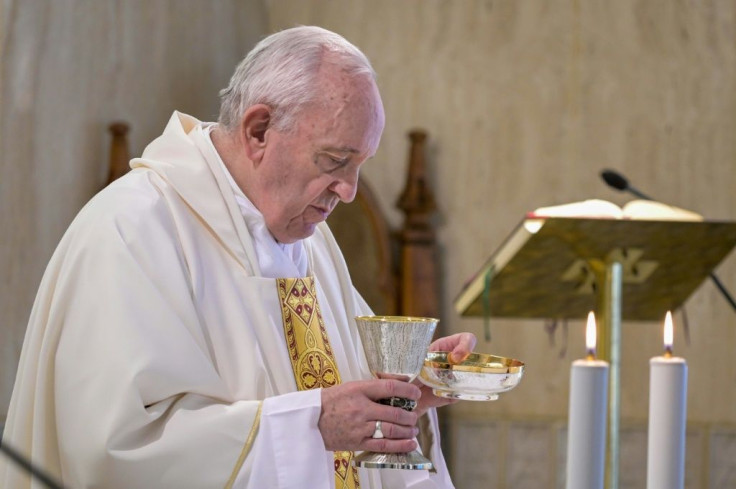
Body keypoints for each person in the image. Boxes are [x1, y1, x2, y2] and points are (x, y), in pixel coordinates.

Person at [0, 26, 475, 489]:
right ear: (259, 129)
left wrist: (402, 391)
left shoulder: (312, 244)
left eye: (359, 166)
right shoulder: (133, 230)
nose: (348, 192)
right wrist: (313, 425)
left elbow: (339, 390)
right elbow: (117, 453)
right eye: (335, 161)